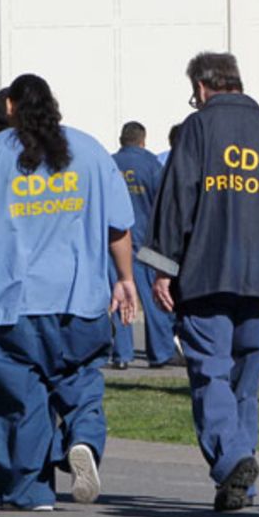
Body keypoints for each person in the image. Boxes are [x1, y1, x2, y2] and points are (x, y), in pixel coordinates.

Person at [0, 74, 137, 510]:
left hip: (12, 304)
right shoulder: (90, 151)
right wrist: (124, 280)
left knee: (17, 399)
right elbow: (119, 227)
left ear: (9, 107)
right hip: (79, 299)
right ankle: (82, 437)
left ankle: (30, 489)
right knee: (81, 378)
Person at [139, 52, 259, 511]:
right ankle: (240, 483)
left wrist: (164, 265)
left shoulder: (199, 128)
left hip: (206, 272)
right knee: (244, 379)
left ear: (202, 88)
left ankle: (234, 457)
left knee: (209, 371)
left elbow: (177, 195)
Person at [111, 121, 181, 370]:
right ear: (143, 140)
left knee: (119, 297)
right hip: (144, 240)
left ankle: (122, 354)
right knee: (153, 299)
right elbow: (163, 203)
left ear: (121, 139)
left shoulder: (109, 164)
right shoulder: (152, 165)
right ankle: (159, 353)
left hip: (115, 241)